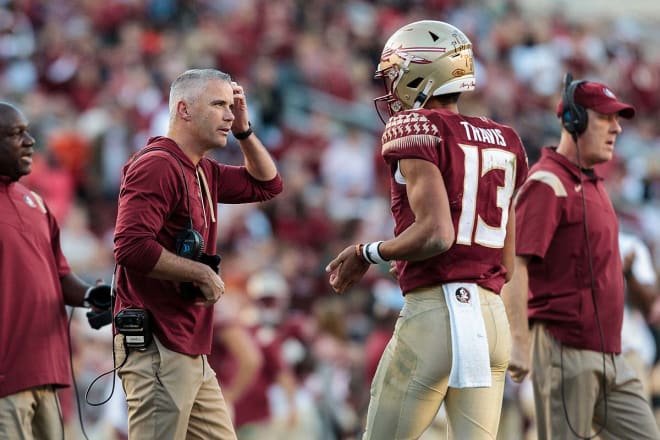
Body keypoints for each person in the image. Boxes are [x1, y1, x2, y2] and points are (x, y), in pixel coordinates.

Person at [325, 20, 529, 439]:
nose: (391, 85)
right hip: (491, 321)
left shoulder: (416, 128)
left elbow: (437, 233)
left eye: (396, 72)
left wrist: (369, 252)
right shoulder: (504, 138)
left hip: (437, 313)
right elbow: (507, 258)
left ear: (422, 71)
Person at [113, 68, 283, 439]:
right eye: (219, 105)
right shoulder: (157, 164)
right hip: (159, 343)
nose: (229, 113)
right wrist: (201, 273)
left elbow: (268, 184)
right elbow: (129, 246)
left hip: (190, 346)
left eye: (232, 105)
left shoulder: (203, 169)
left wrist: (244, 129)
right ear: (184, 110)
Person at [503, 75, 660, 439]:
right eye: (606, 118)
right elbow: (516, 265)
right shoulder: (546, 182)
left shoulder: (590, 184)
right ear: (574, 120)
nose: (617, 129)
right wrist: (520, 343)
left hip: (610, 353)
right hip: (565, 349)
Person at [0, 102, 110, 439]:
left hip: (48, 371)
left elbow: (59, 275)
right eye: (17, 134)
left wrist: (90, 295)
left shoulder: (34, 203)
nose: (31, 141)